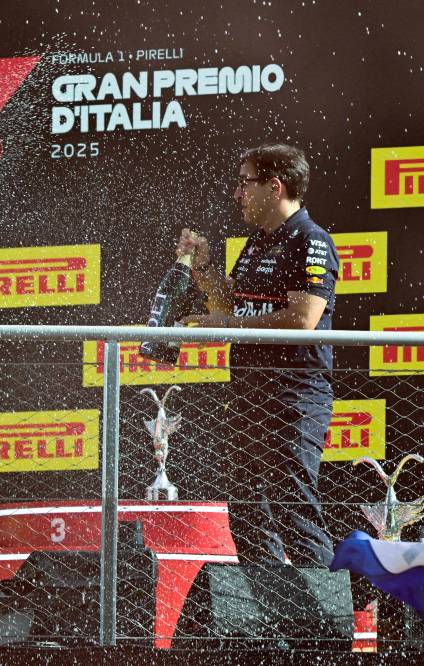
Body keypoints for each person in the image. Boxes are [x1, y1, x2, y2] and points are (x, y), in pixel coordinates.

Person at [178, 143, 339, 567]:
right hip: (247, 397)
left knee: (294, 512)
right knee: (249, 517)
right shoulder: (254, 244)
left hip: (294, 398)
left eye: (244, 183)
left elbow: (304, 319)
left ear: (274, 186)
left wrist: (228, 327)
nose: (236, 194)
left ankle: (323, 633)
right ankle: (267, 630)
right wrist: (206, 269)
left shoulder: (312, 240)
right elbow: (230, 308)